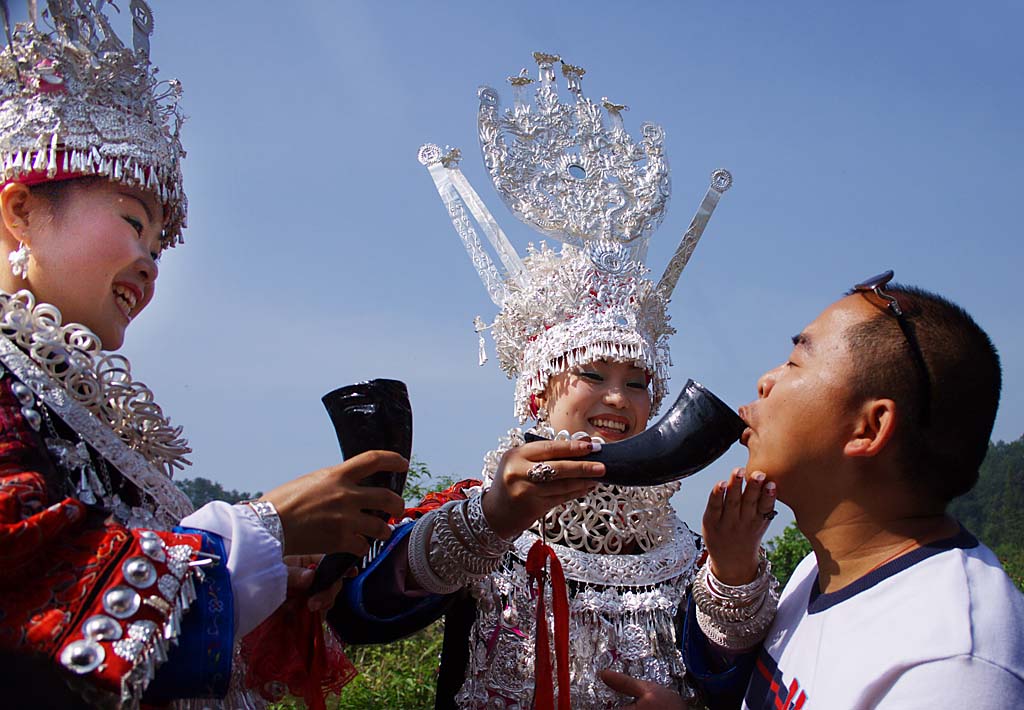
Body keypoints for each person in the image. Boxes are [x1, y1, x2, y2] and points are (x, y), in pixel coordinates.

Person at [330, 52, 774, 709]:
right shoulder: (480, 513)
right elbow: (363, 612)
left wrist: (734, 572)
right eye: (592, 374)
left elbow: (725, 678)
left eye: (640, 382)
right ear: (537, 392)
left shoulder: (681, 548)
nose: (620, 399)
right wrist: (490, 520)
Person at [0, 3, 405, 707]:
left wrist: (273, 565)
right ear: (20, 211)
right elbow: (32, 587)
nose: (150, 264)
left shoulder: (87, 414)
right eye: (133, 221)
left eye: (160, 246)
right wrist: (257, 530)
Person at [677, 271, 1024, 709]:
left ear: (869, 427)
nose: (766, 380)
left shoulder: (950, 667)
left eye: (795, 362)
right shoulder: (820, 570)